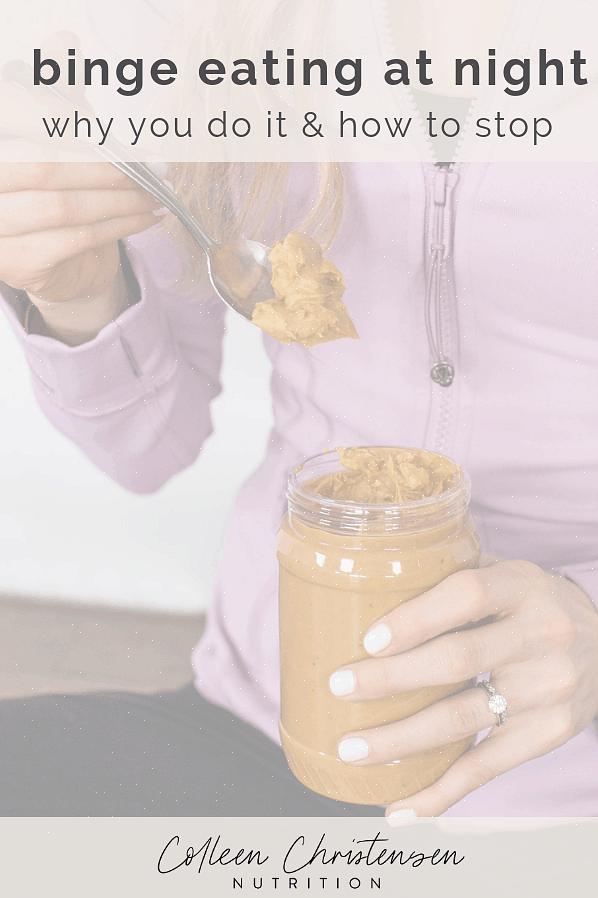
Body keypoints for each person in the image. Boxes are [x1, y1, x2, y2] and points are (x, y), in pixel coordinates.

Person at [0, 154, 597, 819]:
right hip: (266, 727)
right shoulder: (220, 57)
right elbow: (150, 446)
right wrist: (80, 293)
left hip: (564, 782)